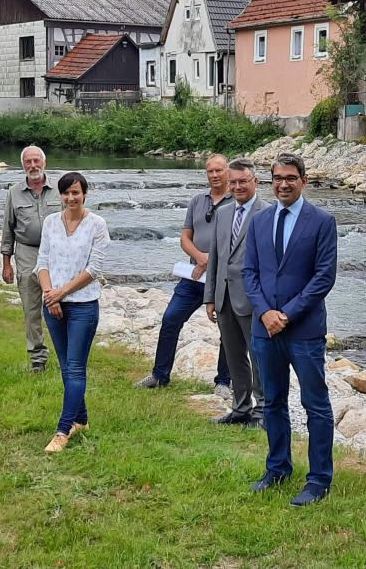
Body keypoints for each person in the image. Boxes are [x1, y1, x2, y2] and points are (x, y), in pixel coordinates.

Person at [243, 152, 338, 506]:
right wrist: (266, 312)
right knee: (272, 403)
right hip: (264, 329)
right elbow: (249, 273)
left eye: (290, 178)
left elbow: (323, 278)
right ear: (272, 181)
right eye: (278, 178)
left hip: (304, 331)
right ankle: (278, 468)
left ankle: (318, 479)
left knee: (315, 404)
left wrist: (287, 314)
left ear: (304, 181)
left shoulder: (322, 221)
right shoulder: (260, 220)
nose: (283, 184)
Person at [134, 154, 233, 393]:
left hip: (224, 279)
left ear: (228, 171)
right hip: (194, 276)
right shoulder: (197, 201)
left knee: (228, 330)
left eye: (219, 170)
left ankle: (223, 381)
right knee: (170, 319)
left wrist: (213, 261)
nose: (215, 175)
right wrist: (200, 257)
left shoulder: (237, 202)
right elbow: (185, 237)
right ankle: (159, 375)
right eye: (210, 171)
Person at [35, 172, 110, 453]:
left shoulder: (97, 225)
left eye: (76, 193)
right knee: (66, 366)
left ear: (85, 194)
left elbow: (94, 269)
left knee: (76, 367)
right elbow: (42, 261)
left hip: (83, 306)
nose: (70, 198)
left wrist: (62, 292)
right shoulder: (51, 223)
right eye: (66, 193)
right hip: (52, 302)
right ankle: (82, 419)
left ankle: (63, 430)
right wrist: (49, 294)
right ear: (60, 195)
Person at [204, 158, 271, 429]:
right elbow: (216, 259)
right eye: (233, 182)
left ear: (255, 181)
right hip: (224, 297)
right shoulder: (222, 212)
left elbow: (271, 263)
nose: (238, 186)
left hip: (253, 300)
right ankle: (240, 408)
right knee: (233, 356)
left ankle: (263, 410)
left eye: (244, 181)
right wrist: (210, 296)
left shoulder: (268, 213)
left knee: (258, 356)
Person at [0, 145, 62, 373]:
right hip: (27, 251)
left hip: (56, 252)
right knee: (31, 305)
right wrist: (6, 263)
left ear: (44, 163)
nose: (33, 166)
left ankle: (65, 353)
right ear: (23, 165)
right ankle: (38, 359)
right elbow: (8, 228)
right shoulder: (14, 192)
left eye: (37, 161)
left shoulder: (59, 189)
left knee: (60, 301)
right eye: (29, 162)